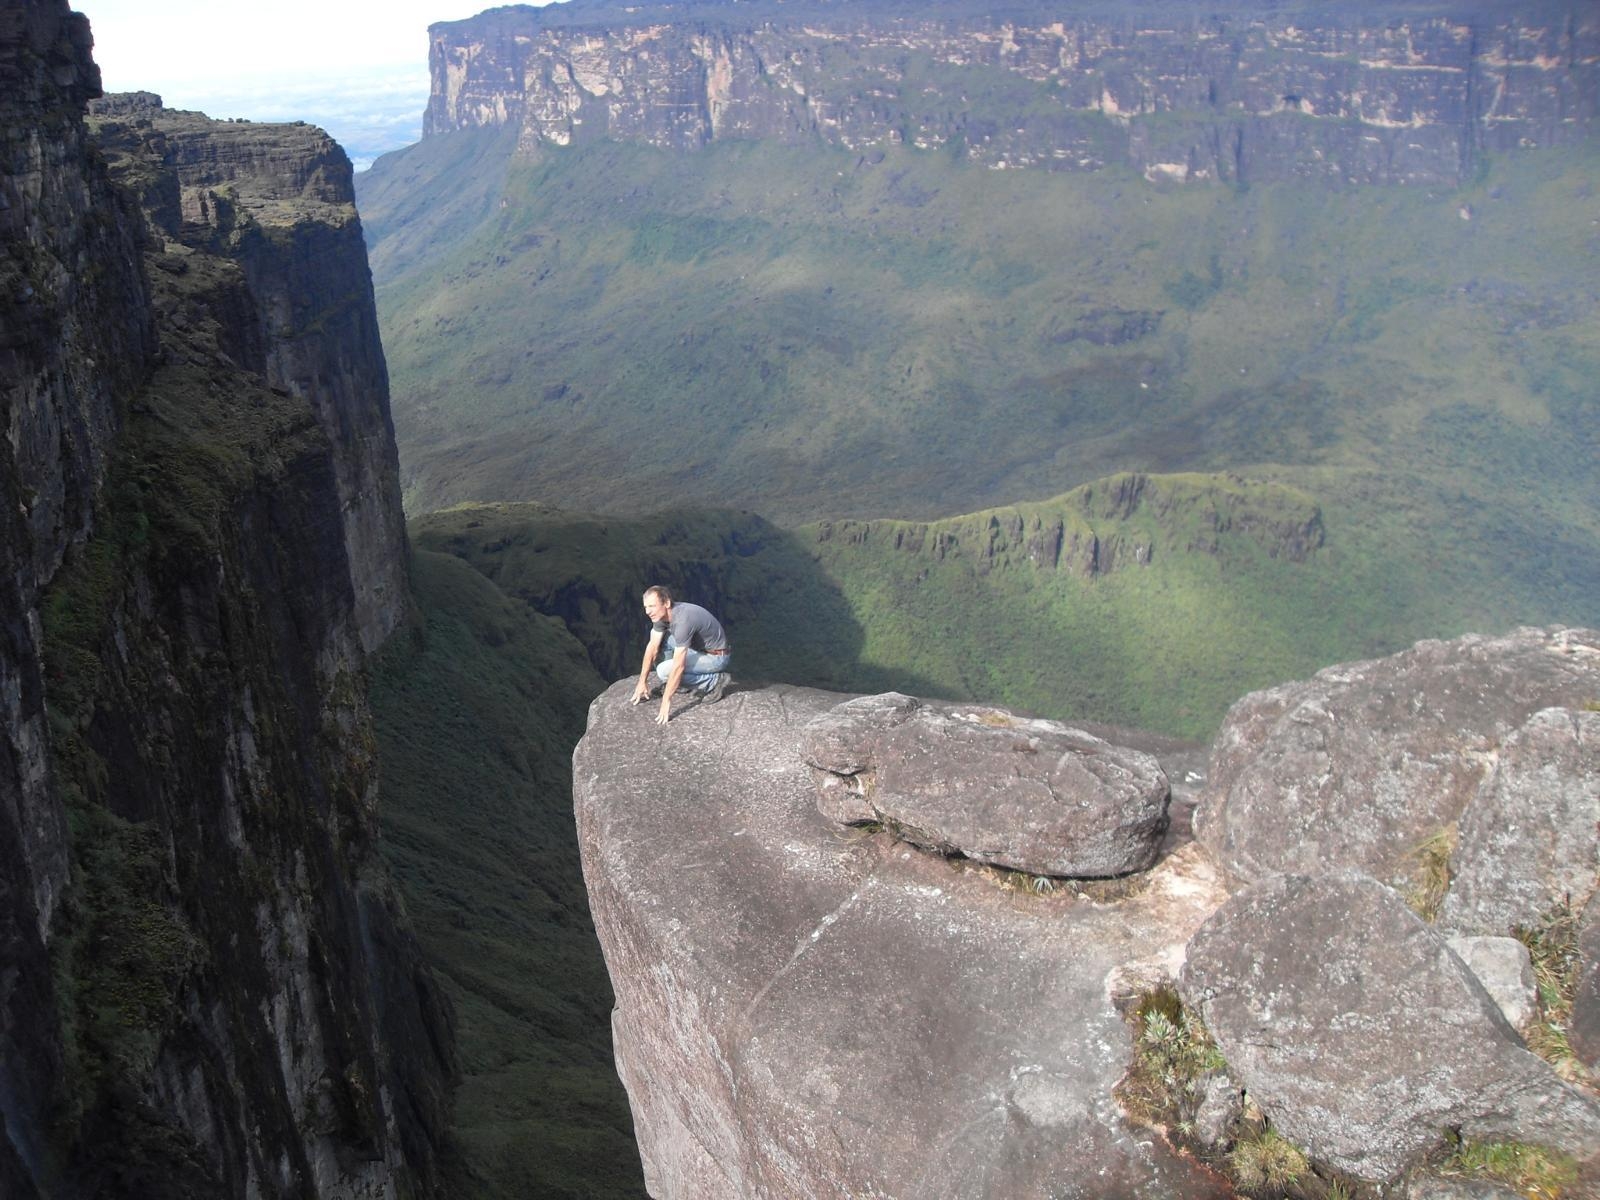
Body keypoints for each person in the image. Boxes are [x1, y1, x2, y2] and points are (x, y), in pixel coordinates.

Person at [631, 585, 733, 724]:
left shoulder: (683, 620)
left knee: (663, 671)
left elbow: (678, 665)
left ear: (666, 603)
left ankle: (714, 681)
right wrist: (642, 681)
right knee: (664, 640)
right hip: (700, 650)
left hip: (716, 657)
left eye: (652, 606)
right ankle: (678, 684)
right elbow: (652, 647)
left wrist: (666, 701)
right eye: (646, 607)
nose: (648, 611)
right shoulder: (662, 616)